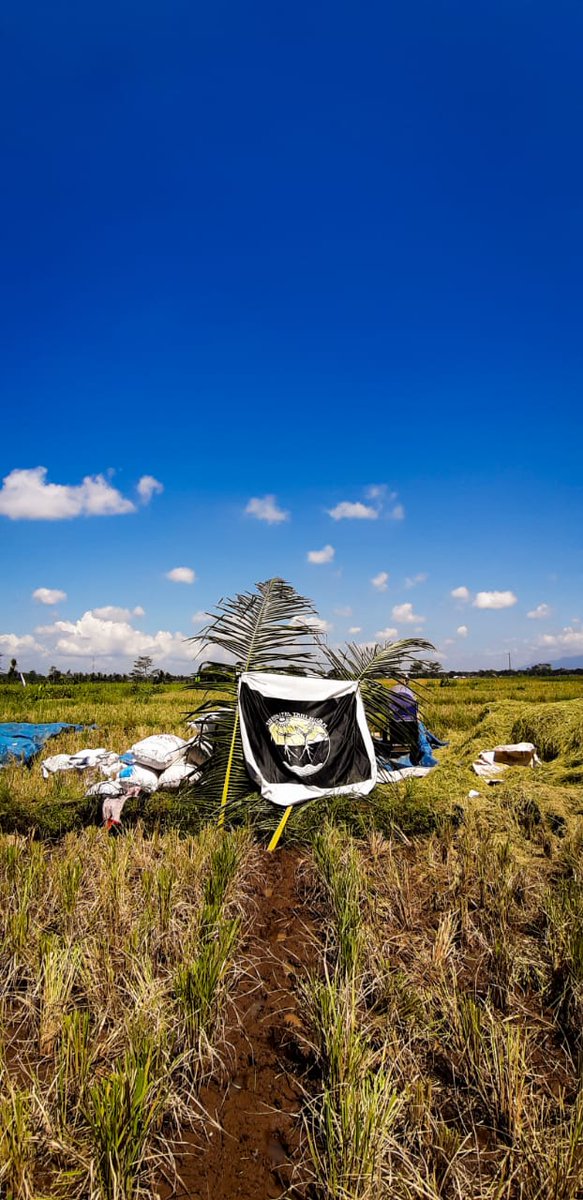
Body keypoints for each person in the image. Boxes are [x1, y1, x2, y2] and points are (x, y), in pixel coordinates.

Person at [386, 679, 422, 764]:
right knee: (414, 733)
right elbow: (414, 705)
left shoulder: (396, 691)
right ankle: (415, 749)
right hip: (410, 719)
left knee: (396, 734)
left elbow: (390, 707)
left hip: (396, 721)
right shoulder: (407, 692)